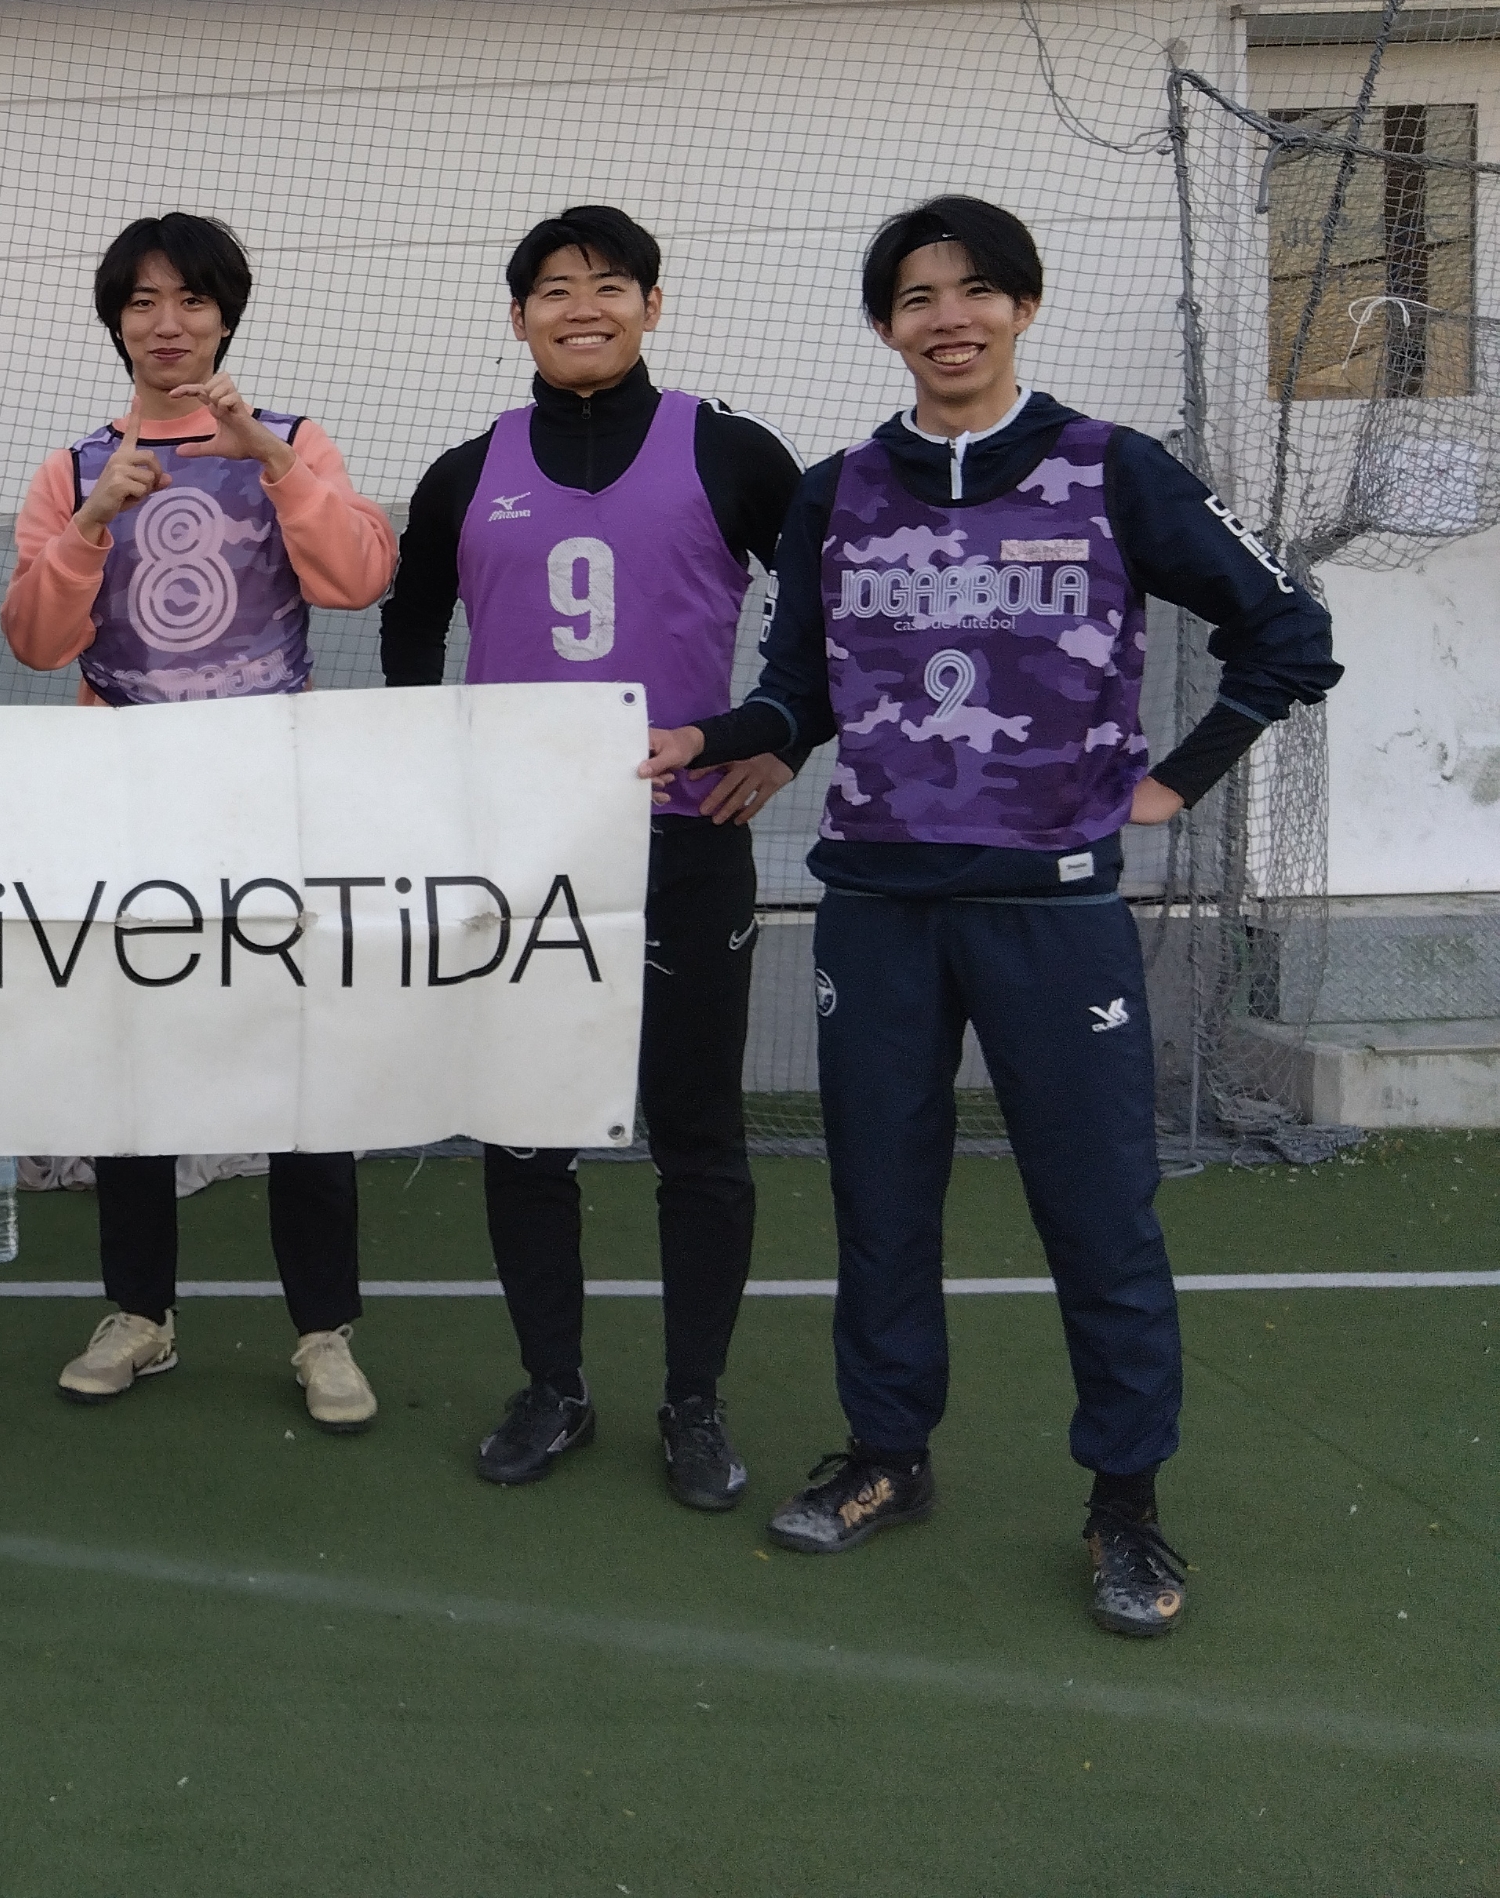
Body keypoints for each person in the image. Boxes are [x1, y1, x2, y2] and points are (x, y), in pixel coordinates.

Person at [639, 195, 1338, 1635]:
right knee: (880, 1200)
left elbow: (1288, 631)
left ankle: (1126, 1504)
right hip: (876, 907)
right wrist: (711, 738)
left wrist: (1177, 780)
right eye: (916, 296)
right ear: (884, 325)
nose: (947, 318)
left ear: (1023, 305)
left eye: (974, 291)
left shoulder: (1113, 468)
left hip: (1052, 909)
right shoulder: (836, 492)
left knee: (1099, 1212)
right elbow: (800, 694)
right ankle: (888, 1454)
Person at [383, 205, 804, 1508]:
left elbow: (833, 613)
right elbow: (410, 626)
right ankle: (553, 1386)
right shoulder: (467, 472)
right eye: (555, 289)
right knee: (527, 1133)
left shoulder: (730, 451)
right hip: (527, 860)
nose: (583, 306)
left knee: (699, 1134)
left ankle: (695, 1402)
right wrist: (434, 773)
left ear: (652, 305)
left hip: (683, 845)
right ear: (519, 317)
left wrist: (779, 736)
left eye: (610, 284)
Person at [0, 212, 399, 1431]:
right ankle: (140, 1314)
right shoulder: (74, 466)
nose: (167, 323)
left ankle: (323, 1330)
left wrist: (271, 462)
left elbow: (360, 576)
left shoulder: (291, 440)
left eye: (191, 299)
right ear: (116, 321)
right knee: (135, 1066)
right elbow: (33, 641)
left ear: (226, 315)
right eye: (143, 301)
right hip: (127, 814)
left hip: (274, 811)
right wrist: (91, 523)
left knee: (299, 1070)